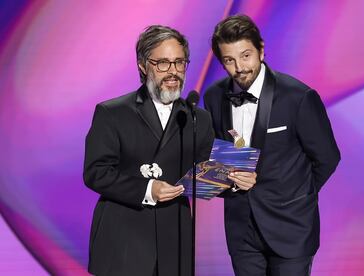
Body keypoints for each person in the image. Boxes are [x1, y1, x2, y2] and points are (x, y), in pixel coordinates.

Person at [203, 15, 340, 276]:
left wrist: (293, 195)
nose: (239, 67)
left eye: (245, 56)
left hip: (291, 227)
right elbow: (216, 156)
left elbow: (327, 157)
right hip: (241, 230)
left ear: (261, 50)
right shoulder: (213, 97)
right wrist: (229, 179)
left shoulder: (298, 97)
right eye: (229, 60)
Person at [83, 25, 214, 276]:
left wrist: (235, 180)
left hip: (174, 241)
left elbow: (206, 174)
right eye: (162, 63)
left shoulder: (198, 118)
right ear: (143, 65)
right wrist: (147, 189)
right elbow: (96, 172)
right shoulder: (113, 113)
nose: (173, 71)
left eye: (179, 62)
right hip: (124, 241)